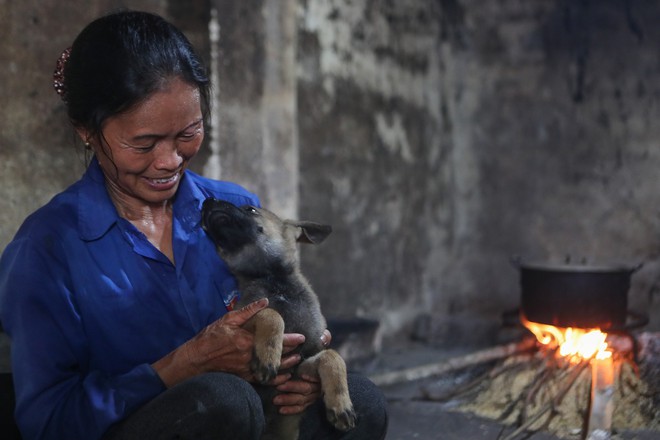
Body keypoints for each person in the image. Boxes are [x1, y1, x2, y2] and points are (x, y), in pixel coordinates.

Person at [0, 10, 387, 440]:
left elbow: (279, 338)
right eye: (143, 143)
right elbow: (46, 421)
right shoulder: (48, 247)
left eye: (189, 132)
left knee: (363, 402)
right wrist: (180, 366)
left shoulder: (236, 214)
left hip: (250, 417)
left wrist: (303, 372)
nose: (169, 161)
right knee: (220, 402)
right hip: (149, 426)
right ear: (87, 130)